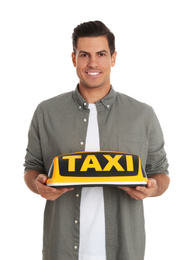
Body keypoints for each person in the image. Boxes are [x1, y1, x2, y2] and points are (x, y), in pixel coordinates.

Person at [24, 21, 169, 260]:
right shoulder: (46, 112)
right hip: (61, 248)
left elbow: (160, 174)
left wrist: (152, 189)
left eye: (101, 54)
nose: (93, 63)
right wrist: (37, 185)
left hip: (124, 249)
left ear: (113, 58)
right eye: (85, 55)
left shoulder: (142, 114)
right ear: (74, 59)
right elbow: (32, 168)